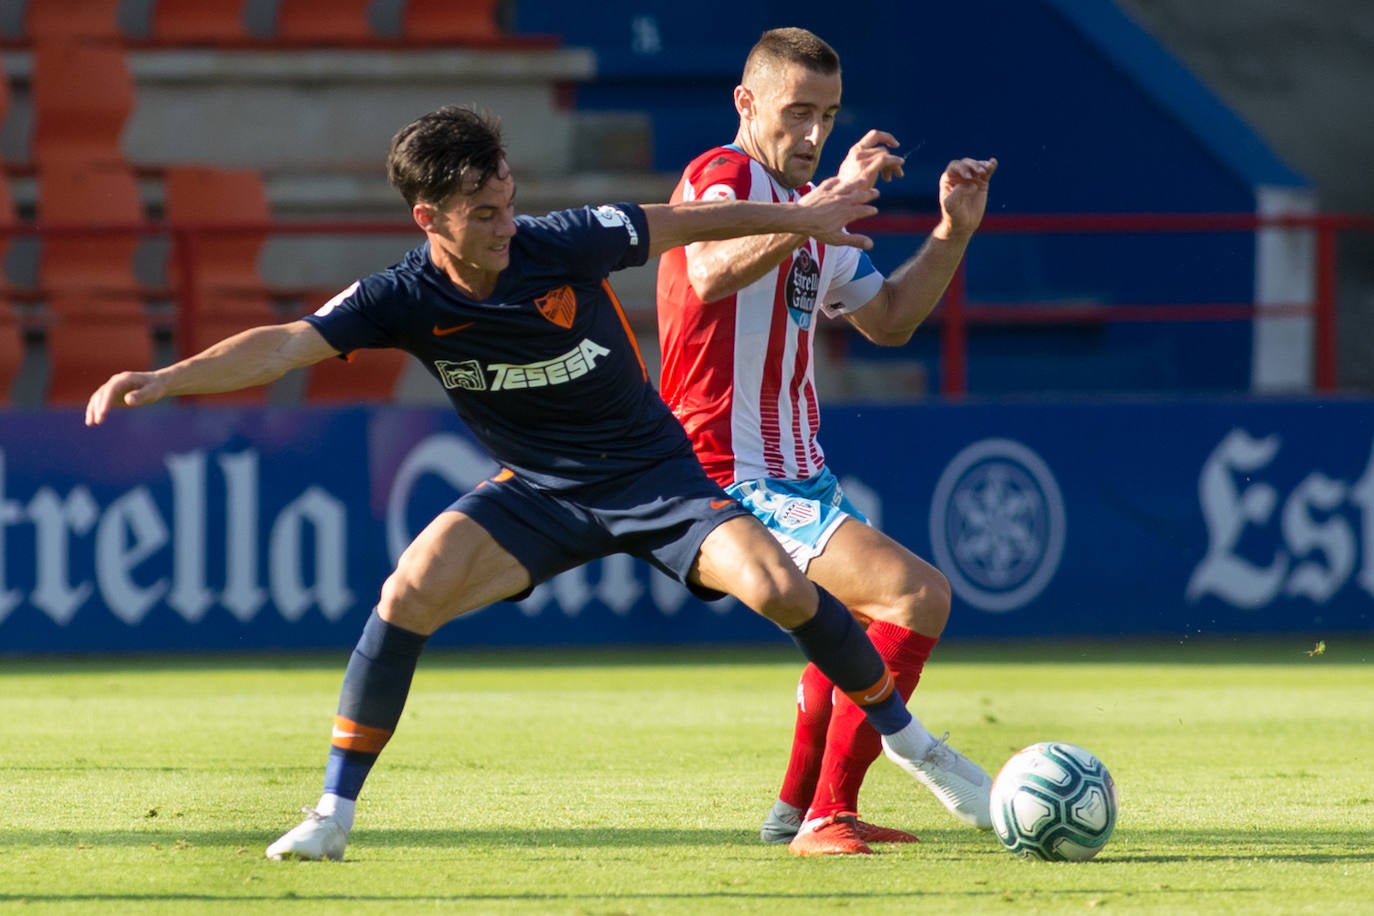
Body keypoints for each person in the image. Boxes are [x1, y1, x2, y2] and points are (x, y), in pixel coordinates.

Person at [85, 104, 983, 862]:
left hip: (653, 475)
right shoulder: (402, 296)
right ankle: (332, 815)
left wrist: (802, 217)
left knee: (782, 588)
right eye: (483, 214)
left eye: (508, 203)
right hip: (541, 490)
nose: (507, 225)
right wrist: (164, 380)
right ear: (429, 218)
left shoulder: (560, 242)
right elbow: (284, 344)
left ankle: (915, 748)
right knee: (410, 589)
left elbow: (681, 226)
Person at [656, 27, 999, 856]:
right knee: (918, 596)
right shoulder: (724, 174)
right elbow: (705, 270)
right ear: (746, 104)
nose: (813, 135)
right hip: (729, 471)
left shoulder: (810, 213)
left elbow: (890, 322)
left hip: (796, 470)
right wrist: (816, 210)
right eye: (796, 113)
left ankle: (794, 808)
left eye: (829, 115)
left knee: (848, 626)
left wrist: (952, 232)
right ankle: (828, 813)